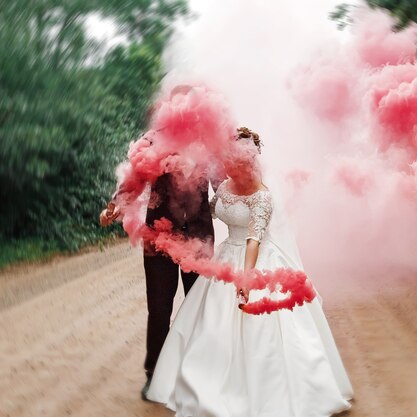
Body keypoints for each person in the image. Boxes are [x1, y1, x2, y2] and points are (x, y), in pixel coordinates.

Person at [146, 127, 353, 417]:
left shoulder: (263, 197)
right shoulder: (226, 187)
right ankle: (202, 378)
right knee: (209, 324)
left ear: (251, 160)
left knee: (268, 332)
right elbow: (211, 210)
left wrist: (246, 277)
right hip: (227, 256)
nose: (229, 164)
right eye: (227, 158)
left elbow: (254, 240)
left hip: (255, 260)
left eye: (236, 160)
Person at [100, 89, 220, 399]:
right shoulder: (152, 140)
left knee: (200, 308)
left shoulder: (208, 141)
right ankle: (155, 374)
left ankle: (199, 372)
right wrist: (114, 206)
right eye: (176, 102)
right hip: (159, 240)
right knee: (159, 308)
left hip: (199, 236)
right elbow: (132, 181)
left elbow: (225, 183)